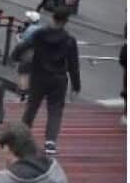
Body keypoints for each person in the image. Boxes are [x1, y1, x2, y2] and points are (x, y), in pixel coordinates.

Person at [10, 8, 80, 154]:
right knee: (55, 110)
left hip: (39, 76)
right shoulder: (69, 40)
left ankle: (23, 136)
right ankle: (50, 142)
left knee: (32, 106)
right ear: (66, 22)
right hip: (59, 79)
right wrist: (76, 85)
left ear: (52, 18)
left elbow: (23, 46)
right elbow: (73, 63)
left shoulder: (39, 34)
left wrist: (15, 56)